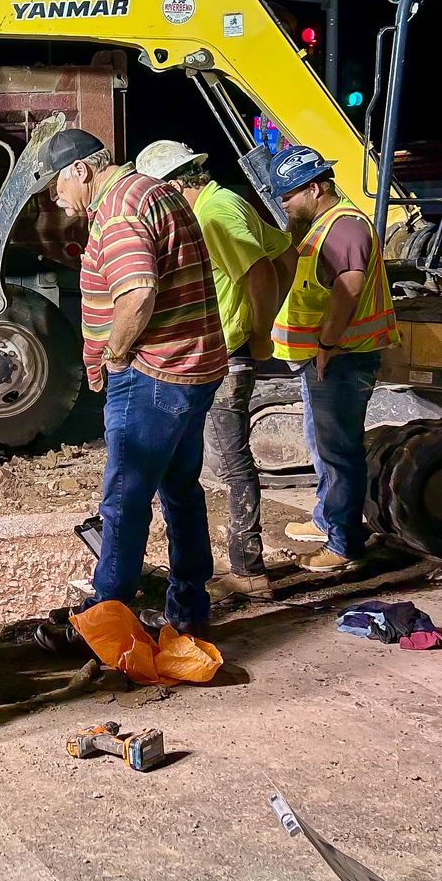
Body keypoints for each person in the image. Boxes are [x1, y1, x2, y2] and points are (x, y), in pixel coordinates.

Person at [48, 128, 228, 633]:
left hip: (155, 373)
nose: (57, 200)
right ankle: (189, 611)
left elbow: (138, 292)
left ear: (80, 170)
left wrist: (116, 354)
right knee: (180, 490)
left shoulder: (119, 210)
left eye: (56, 186)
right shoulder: (155, 190)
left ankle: (109, 619)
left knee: (124, 499)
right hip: (192, 367)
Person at [134, 140, 290, 598]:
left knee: (229, 460)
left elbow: (261, 273)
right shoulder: (227, 201)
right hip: (225, 349)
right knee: (219, 458)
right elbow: (284, 253)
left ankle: (247, 570)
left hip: (224, 354)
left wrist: (260, 332)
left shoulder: (212, 215)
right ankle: (241, 563)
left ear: (174, 184)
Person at [268, 145, 399, 570]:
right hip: (328, 359)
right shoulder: (323, 226)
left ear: (313, 187)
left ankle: (344, 544)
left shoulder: (343, 228)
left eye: (287, 195)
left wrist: (327, 344)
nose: (282, 203)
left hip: (342, 359)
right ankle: (328, 519)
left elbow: (350, 286)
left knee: (339, 452)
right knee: (323, 446)